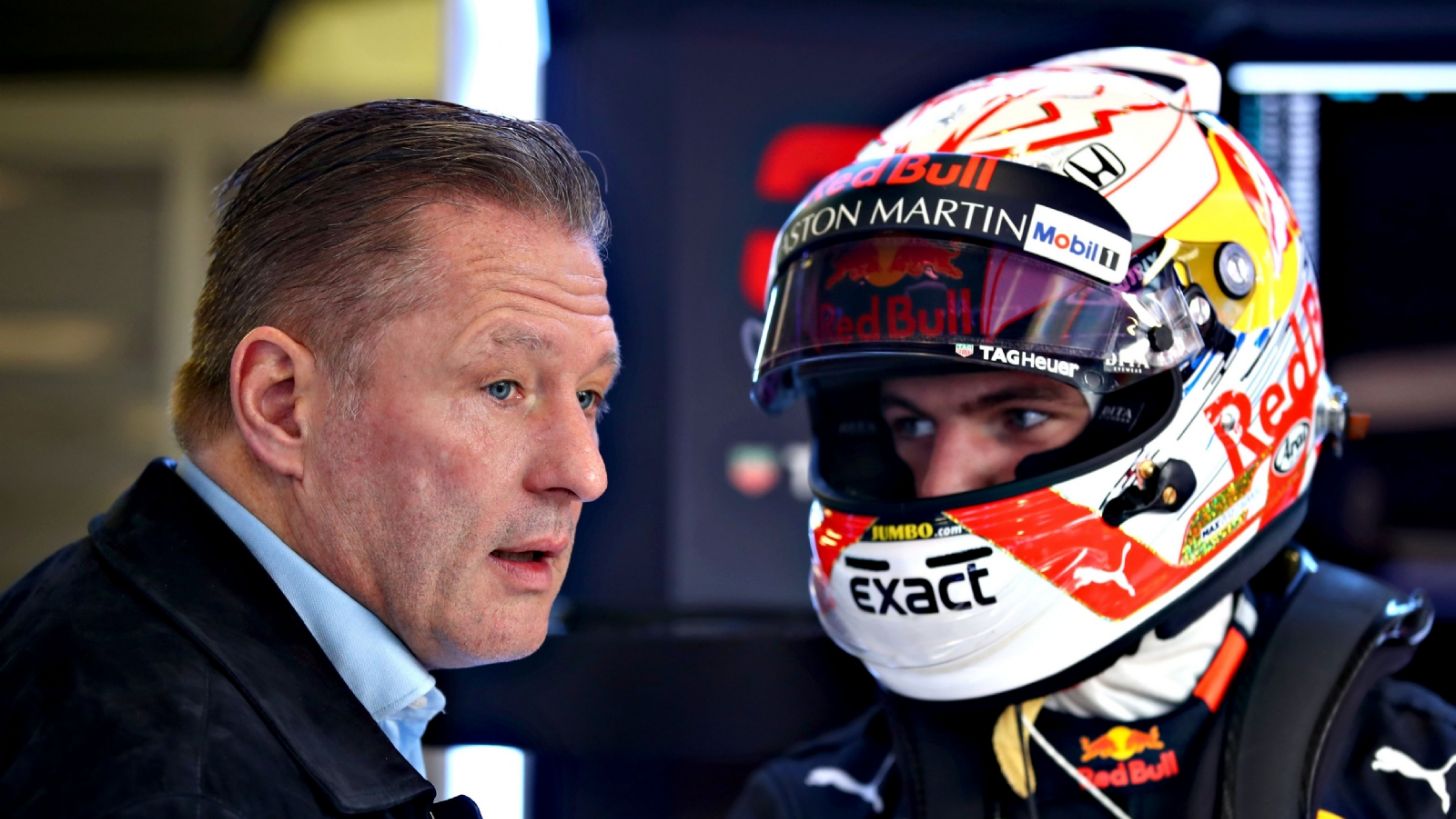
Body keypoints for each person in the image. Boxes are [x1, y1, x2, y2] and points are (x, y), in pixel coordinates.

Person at [733, 48, 1456, 818]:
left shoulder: (1421, 784)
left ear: (1229, 391)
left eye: (1021, 416)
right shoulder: (814, 804)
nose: (939, 479)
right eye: (909, 423)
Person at [0, 99, 618, 817]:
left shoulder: (118, 635)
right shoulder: (183, 787)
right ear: (282, 404)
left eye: (588, 396)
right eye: (502, 387)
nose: (585, 473)